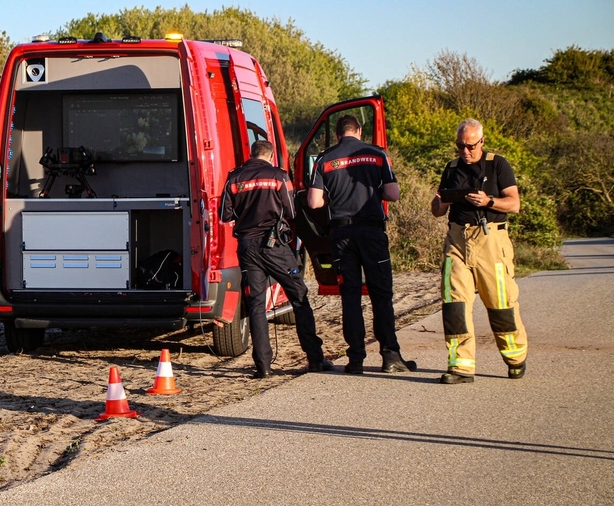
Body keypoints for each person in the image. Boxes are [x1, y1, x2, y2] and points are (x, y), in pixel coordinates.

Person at [305, 114, 416, 374]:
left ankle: (355, 359)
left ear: (337, 134)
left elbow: (313, 202)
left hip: (342, 235)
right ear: (360, 130)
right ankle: (390, 356)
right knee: (381, 295)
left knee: (350, 296)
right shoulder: (377, 154)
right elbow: (393, 194)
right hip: (372, 232)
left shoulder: (324, 159)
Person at [219, 139, 333, 378]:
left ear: (251, 155)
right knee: (299, 297)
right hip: (275, 245)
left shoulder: (234, 177)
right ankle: (314, 358)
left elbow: (225, 215)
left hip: (247, 247)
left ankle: (263, 366)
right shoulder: (278, 175)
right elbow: (291, 211)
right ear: (271, 156)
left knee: (256, 305)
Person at [430, 119, 528, 384]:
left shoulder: (498, 164)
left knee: (500, 304)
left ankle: (515, 357)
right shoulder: (451, 168)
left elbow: (514, 203)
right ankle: (461, 367)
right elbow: (438, 209)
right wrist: (439, 203)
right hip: (457, 239)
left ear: (482, 142)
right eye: (460, 146)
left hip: (491, 241)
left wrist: (489, 201)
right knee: (454, 304)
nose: (465, 151)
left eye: (470, 146)